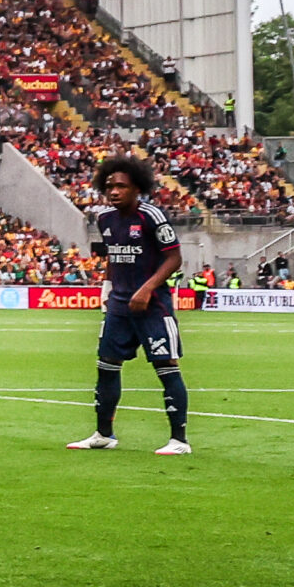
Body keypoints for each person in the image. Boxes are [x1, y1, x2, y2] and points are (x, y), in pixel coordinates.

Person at [66, 156, 190, 455]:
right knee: (106, 366)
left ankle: (179, 440)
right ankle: (103, 434)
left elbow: (174, 258)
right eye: (109, 186)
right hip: (119, 306)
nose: (114, 191)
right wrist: (107, 290)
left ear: (137, 187)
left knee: (166, 366)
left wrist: (147, 289)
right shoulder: (106, 218)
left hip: (153, 305)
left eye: (121, 186)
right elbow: (114, 257)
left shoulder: (152, 216)